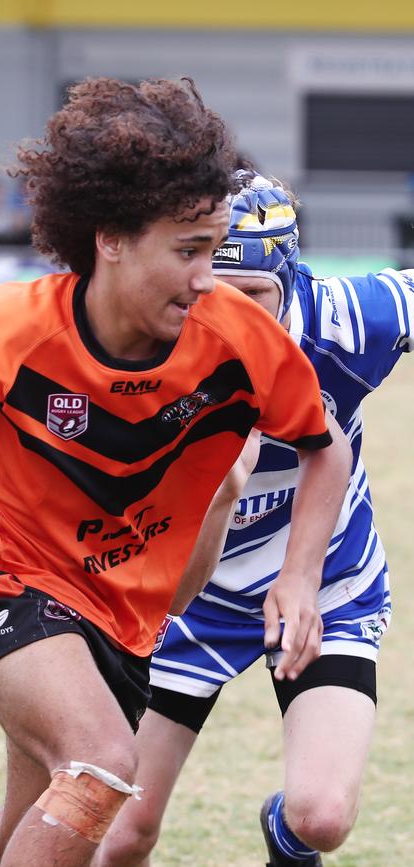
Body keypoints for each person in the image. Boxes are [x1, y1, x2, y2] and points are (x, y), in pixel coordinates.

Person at [0, 81, 351, 867]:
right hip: (0, 583)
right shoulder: (12, 330)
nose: (207, 278)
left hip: (120, 621)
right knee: (102, 762)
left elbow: (325, 444)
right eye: (187, 250)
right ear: (110, 238)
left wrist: (301, 575)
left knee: (25, 829)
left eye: (213, 250)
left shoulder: (238, 338)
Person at [96, 173, 413, 867]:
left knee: (322, 815)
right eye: (215, 295)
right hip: (184, 595)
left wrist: (299, 578)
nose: (232, 321)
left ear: (291, 278)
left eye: (256, 298)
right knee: (118, 834)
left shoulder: (350, 322)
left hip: (326, 583)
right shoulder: (147, 337)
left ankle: (286, 839)